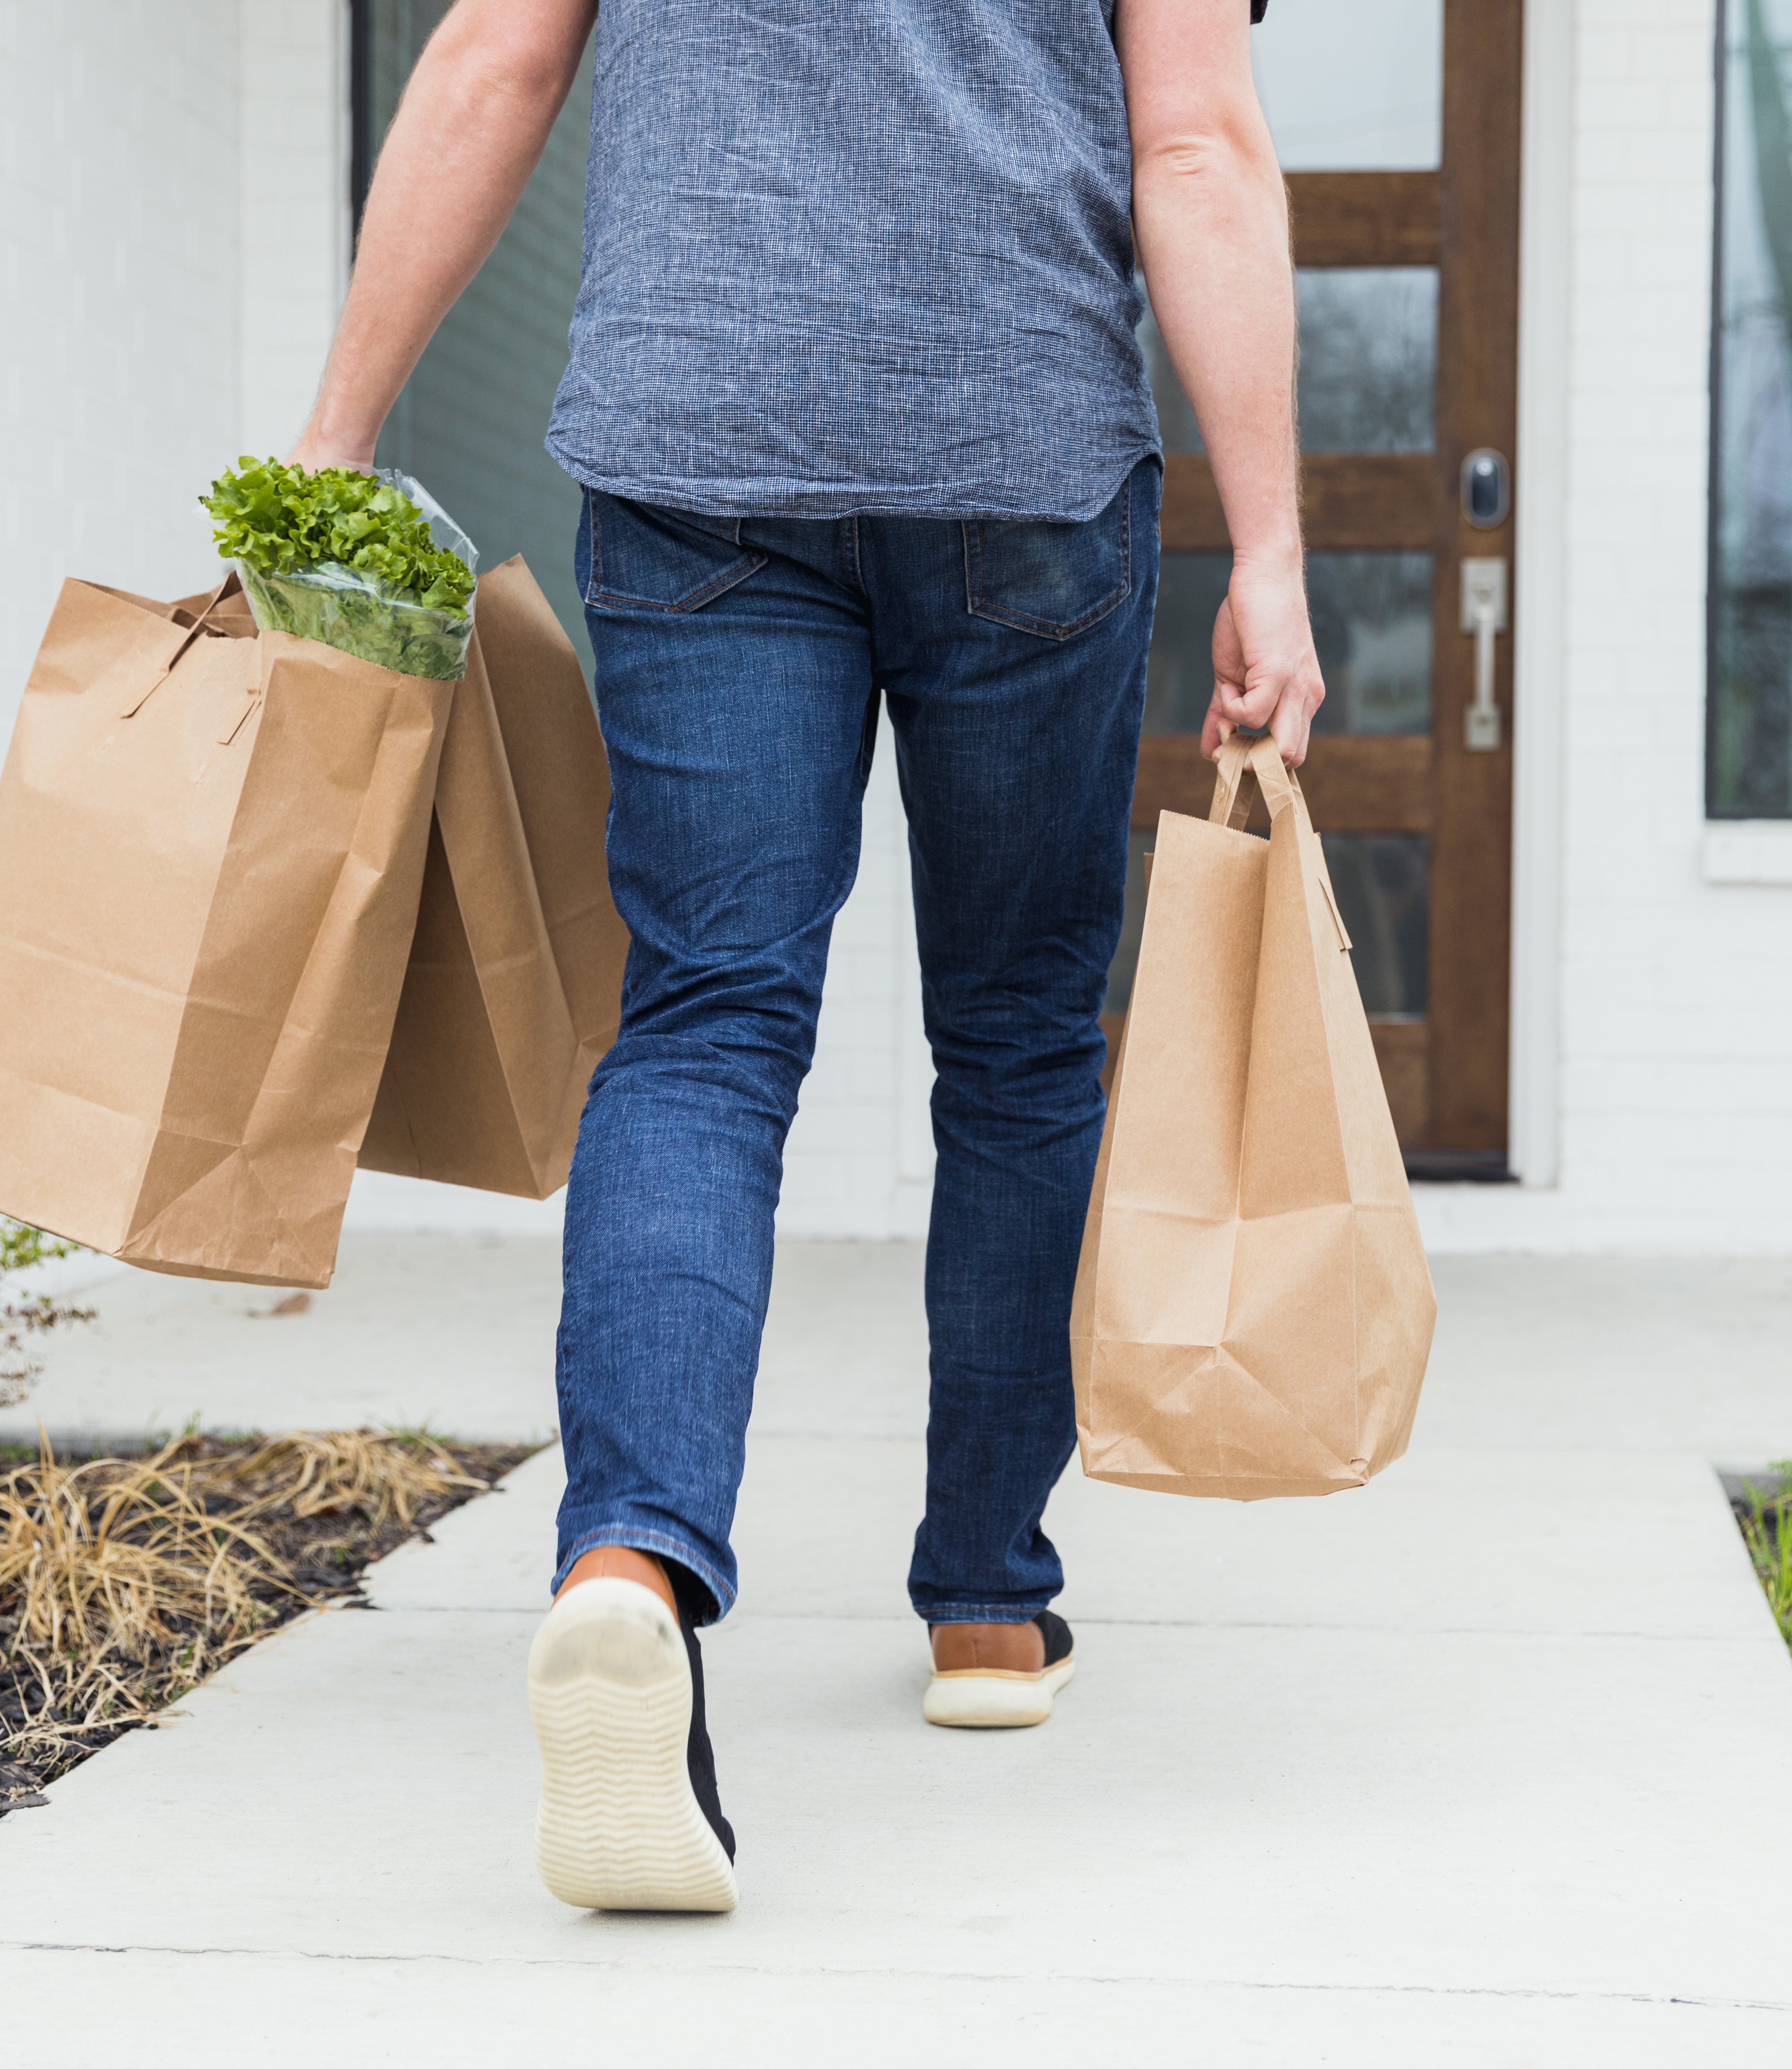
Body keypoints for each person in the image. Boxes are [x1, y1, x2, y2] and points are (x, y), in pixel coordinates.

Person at [288, 0, 1323, 1913]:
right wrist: (1269, 546)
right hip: (1020, 456)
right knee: (1018, 1036)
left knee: (700, 1025)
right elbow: (1194, 145)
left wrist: (338, 444)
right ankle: (990, 1604)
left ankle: (628, 1568)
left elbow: (488, 68)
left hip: (705, 453)